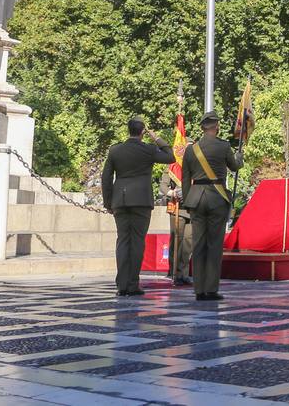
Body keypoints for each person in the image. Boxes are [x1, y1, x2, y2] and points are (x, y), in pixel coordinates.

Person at [100, 117, 174, 297]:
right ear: (142, 132)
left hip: (121, 200)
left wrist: (108, 202)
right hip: (141, 201)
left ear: (128, 130)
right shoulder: (148, 149)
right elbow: (170, 156)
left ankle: (122, 284)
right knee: (138, 242)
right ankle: (132, 284)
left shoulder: (115, 150)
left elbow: (106, 178)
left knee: (123, 241)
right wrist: (156, 138)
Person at [181, 114, 243, 301]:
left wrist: (187, 201)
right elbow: (234, 166)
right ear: (216, 126)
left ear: (202, 128)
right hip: (217, 198)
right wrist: (239, 157)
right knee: (214, 245)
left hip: (196, 199)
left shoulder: (191, 150)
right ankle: (211, 289)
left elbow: (185, 179)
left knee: (198, 244)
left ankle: (199, 289)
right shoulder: (223, 146)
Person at [160, 169, 193, 286]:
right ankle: (174, 272)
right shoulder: (173, 165)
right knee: (176, 241)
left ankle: (183, 273)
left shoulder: (198, 162)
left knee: (188, 243)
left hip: (193, 208)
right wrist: (173, 193)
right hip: (177, 207)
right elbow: (163, 186)